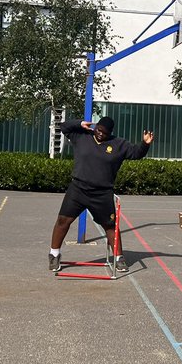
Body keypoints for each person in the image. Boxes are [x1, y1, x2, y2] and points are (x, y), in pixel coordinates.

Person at [50, 116, 154, 273]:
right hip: (78, 188)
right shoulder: (82, 136)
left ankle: (119, 258)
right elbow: (64, 127)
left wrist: (145, 144)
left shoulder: (119, 144)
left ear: (110, 133)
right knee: (63, 220)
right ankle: (54, 254)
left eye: (104, 133)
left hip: (102, 193)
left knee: (110, 226)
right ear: (95, 127)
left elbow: (136, 153)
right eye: (98, 130)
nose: (100, 134)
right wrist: (79, 123)